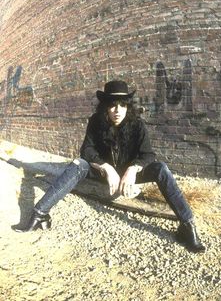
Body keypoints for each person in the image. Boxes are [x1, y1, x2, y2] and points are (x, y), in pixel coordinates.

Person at [14, 80, 205, 253]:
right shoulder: (96, 122)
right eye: (112, 105)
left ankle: (187, 226)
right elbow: (86, 151)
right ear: (105, 107)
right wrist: (106, 167)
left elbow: (148, 155)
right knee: (78, 164)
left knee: (161, 168)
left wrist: (133, 169)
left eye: (122, 105)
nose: (117, 110)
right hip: (101, 173)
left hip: (129, 176)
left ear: (127, 106)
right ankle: (40, 214)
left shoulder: (137, 125)